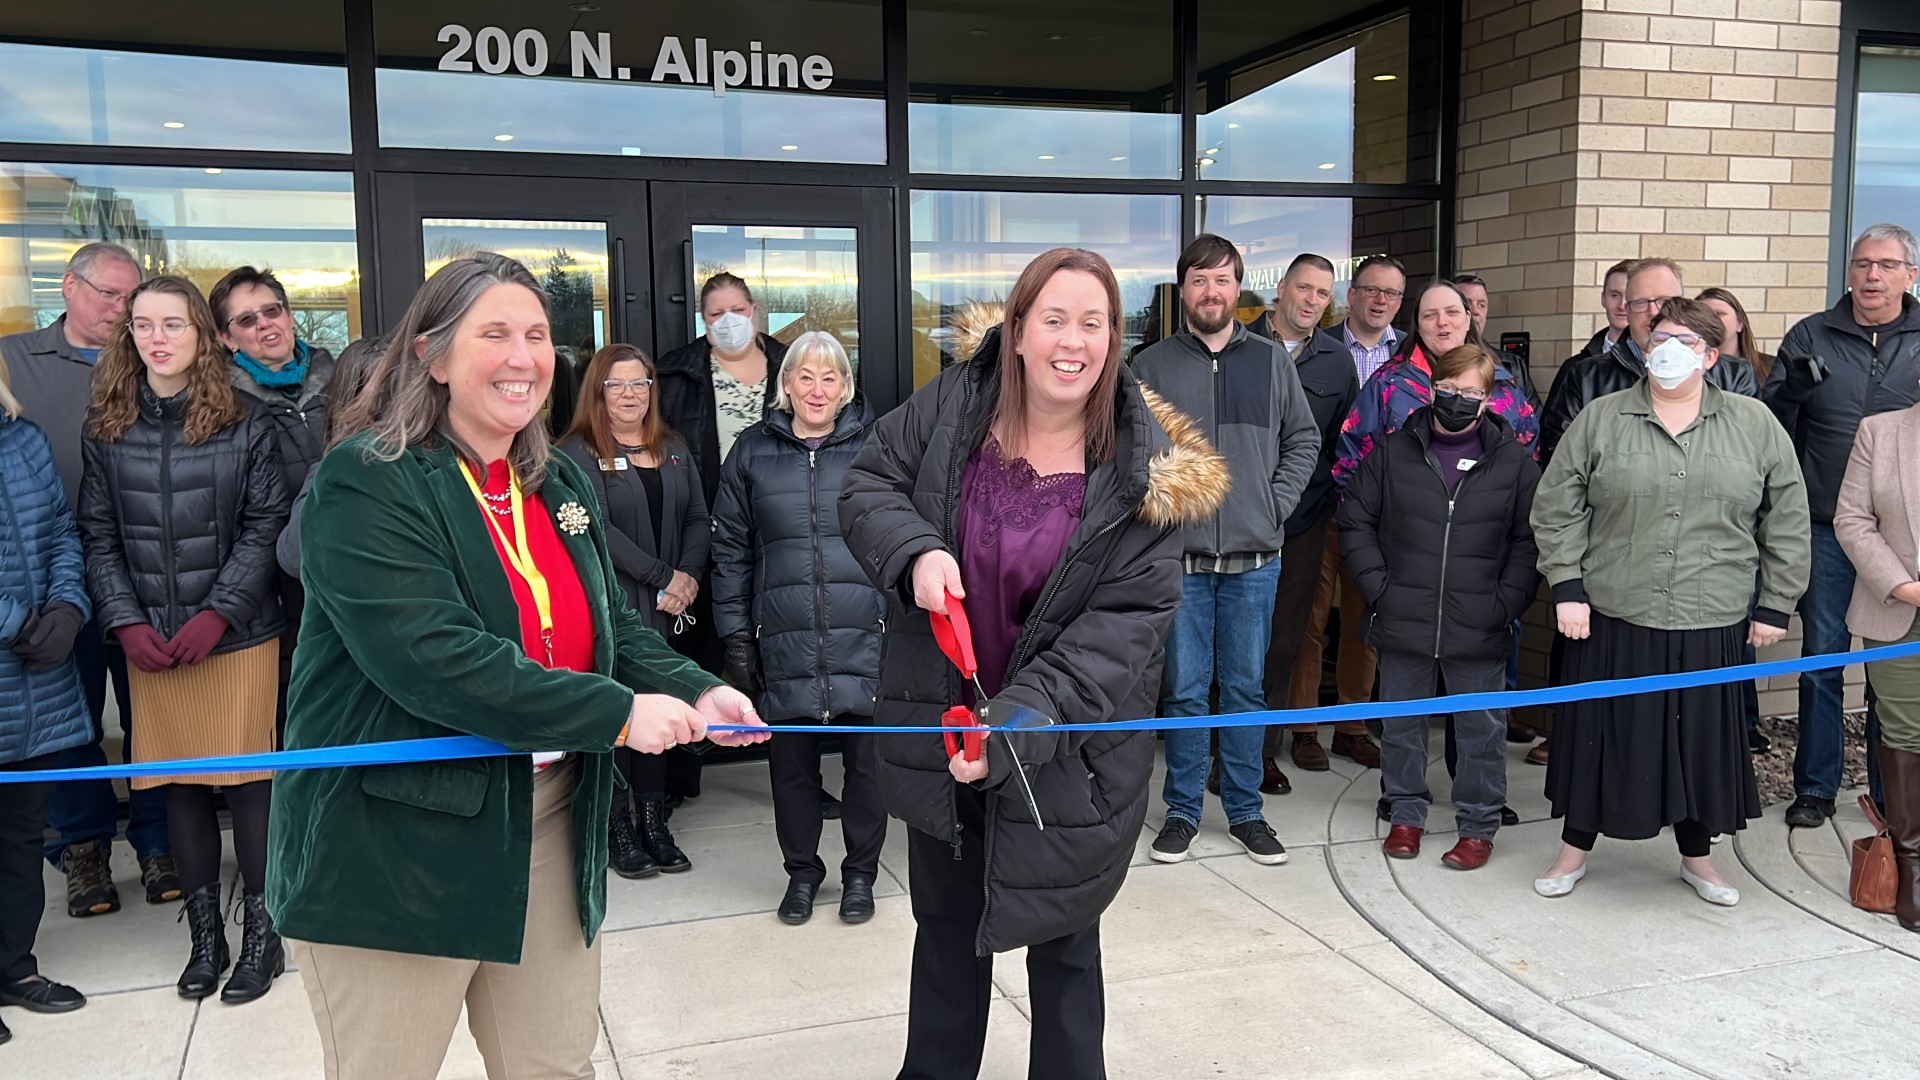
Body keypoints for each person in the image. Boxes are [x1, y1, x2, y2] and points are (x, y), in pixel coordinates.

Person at [266, 253, 766, 1080]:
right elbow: (436, 661)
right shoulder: (364, 482)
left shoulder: (556, 477)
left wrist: (698, 686)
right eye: (493, 333)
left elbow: (613, 629)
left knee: (553, 1067)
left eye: (537, 335)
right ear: (431, 355)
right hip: (394, 844)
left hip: (546, 821)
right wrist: (616, 714)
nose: (523, 355)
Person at [839, 248, 1227, 1080]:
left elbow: (1127, 624)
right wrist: (913, 554)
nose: (1072, 341)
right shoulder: (953, 405)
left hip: (1067, 750)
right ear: (1016, 330)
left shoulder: (1144, 471)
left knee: (1064, 952)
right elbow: (868, 482)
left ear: (1115, 340)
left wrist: (1021, 722)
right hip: (942, 730)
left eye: (1093, 323)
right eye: (1053, 318)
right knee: (945, 942)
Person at [1531, 298, 1809, 906]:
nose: (1667, 349)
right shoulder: (1602, 418)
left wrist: (1775, 604)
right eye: (1658, 337)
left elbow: (1787, 517)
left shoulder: (1754, 423)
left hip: (1711, 615)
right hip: (1612, 611)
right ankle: (1574, 849)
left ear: (1712, 355)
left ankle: (1698, 858)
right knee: (1598, 735)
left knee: (1698, 742)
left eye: (1683, 339)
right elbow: (1556, 506)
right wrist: (1567, 588)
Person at [74, 276, 291, 1002]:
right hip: (151, 642)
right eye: (142, 325)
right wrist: (125, 621)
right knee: (182, 790)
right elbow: (97, 537)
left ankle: (265, 935)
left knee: (250, 787)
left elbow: (267, 528)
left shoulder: (247, 421)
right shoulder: (107, 423)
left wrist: (219, 612)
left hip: (235, 637)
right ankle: (206, 939)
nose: (156, 338)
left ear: (202, 334)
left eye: (172, 324)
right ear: (128, 336)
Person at [1132, 236, 1320, 867]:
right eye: (1198, 280)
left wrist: (1273, 505)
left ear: (1238, 289)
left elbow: (1303, 440)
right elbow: (1130, 456)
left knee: (1244, 691)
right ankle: (1182, 811)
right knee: (1184, 692)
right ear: (1181, 289)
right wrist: (1160, 514)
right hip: (1179, 563)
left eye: (1222, 280)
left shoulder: (1271, 362)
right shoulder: (1151, 367)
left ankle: (1246, 812)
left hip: (1253, 563)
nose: (1210, 292)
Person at [0, 241, 174, 915]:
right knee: (69, 728)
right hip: (53, 591)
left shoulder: (151, 361)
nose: (123, 310)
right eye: (110, 295)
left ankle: (159, 843)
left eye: (133, 299)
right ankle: (84, 852)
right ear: (69, 287)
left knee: (151, 719)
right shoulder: (14, 361)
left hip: (147, 579)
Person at [1339, 344, 1540, 870]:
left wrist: (1507, 602)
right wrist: (1379, 587)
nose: (1457, 400)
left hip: (1480, 618)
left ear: (1489, 398)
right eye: (1448, 390)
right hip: (1404, 612)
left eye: (1470, 392)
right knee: (1401, 725)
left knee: (1481, 730)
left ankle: (1478, 825)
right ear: (1431, 390)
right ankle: (1406, 813)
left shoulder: (1513, 462)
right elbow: (1354, 519)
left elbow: (1529, 540)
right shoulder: (1392, 451)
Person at [711, 331, 886, 926]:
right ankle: (803, 874)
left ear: (845, 387)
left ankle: (861, 874)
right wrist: (736, 636)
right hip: (782, 637)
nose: (816, 389)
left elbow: (904, 535)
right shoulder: (751, 451)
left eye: (829, 377)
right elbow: (729, 550)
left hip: (866, 631)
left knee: (868, 767)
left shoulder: (877, 447)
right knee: (791, 770)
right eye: (804, 377)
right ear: (785, 384)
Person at [1769, 223, 1920, 829]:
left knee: (1896, 672)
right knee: (1822, 659)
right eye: (1862, 264)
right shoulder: (1812, 334)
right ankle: (1815, 787)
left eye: (1886, 265)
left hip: (1906, 540)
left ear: (1910, 275)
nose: (1872, 277)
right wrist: (1793, 392)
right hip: (1827, 525)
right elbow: (1772, 424)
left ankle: (1892, 794)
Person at [559, 344, 710, 880]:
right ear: (597, 391)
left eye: (640, 383)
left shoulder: (672, 446)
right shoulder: (573, 454)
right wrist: (661, 576)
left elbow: (697, 514)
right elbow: (596, 526)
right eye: (616, 384)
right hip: (613, 604)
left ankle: (653, 819)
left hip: (672, 603)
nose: (630, 394)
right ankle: (617, 823)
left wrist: (687, 575)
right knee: (624, 711)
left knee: (662, 711)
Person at [653, 272, 792, 808]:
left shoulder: (791, 366)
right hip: (703, 530)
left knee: (782, 655)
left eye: (737, 309)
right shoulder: (677, 374)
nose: (728, 321)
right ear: (703, 322)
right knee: (693, 653)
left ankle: (795, 775)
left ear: (756, 311)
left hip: (777, 531)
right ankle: (676, 780)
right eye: (715, 315)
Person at [0, 359, 94, 1041]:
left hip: (33, 677)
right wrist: (15, 622)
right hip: (17, 644)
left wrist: (67, 607)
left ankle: (15, 967)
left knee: (20, 833)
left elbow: (62, 529)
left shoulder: (23, 439)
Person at [1286, 255, 1407, 772]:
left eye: (1393, 294)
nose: (1381, 301)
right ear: (1351, 296)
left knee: (1366, 621)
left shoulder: (1411, 356)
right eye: (1372, 290)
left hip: (1381, 517)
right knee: (1307, 622)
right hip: (1322, 511)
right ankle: (1303, 726)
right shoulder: (1325, 349)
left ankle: (1354, 725)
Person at [1248, 255, 1367, 778]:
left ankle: (1260, 751)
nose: (1312, 301)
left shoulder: (1337, 361)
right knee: (1230, 636)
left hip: (1302, 520)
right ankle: (1216, 744)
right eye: (1304, 288)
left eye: (1323, 293)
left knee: (1286, 635)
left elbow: (1341, 443)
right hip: (1237, 518)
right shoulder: (1238, 345)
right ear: (1281, 289)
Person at [211, 266, 337, 733]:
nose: (266, 324)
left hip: (343, 570)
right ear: (228, 339)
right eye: (247, 320)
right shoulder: (222, 404)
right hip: (273, 591)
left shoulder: (341, 379)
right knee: (291, 719)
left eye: (272, 310)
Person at [1833, 399, 1920, 931]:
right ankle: (1912, 864)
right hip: (1898, 609)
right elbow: (1853, 519)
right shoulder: (1880, 431)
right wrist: (1904, 586)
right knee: (1908, 731)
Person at [1538, 259, 1757, 468]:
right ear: (1628, 310)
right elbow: (1559, 454)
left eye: (1664, 301)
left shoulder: (1733, 374)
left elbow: (1752, 451)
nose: (1653, 312)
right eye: (1641, 303)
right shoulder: (1586, 375)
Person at [1449, 272, 1537, 407]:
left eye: (1481, 304)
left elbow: (1534, 419)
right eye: (1467, 303)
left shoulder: (1512, 365)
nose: (1475, 311)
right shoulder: (1435, 361)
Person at [1697, 287, 1773, 390]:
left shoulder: (1771, 367)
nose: (1711, 320)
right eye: (1703, 316)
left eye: (1719, 314)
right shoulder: (1687, 370)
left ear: (1739, 323)